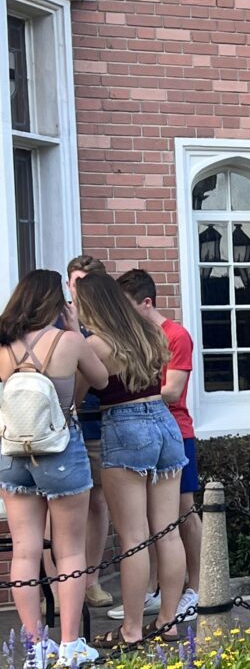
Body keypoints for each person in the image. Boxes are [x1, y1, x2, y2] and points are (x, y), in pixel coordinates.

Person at [0, 270, 109, 667]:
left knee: (25, 551)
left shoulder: (4, 345)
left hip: (12, 453)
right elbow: (101, 379)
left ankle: (35, 646)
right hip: (61, 449)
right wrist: (75, 328)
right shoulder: (68, 341)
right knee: (70, 550)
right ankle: (69, 644)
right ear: (54, 302)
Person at [75, 273, 187, 647]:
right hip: (164, 422)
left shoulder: (97, 344)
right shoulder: (149, 333)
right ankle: (169, 622)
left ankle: (132, 629)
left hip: (125, 426)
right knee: (168, 531)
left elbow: (75, 397)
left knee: (133, 537)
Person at [117, 269, 200, 622]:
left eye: (126, 306)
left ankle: (196, 589)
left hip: (177, 433)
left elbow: (173, 391)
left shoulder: (176, 336)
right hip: (145, 434)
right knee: (152, 519)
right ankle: (155, 590)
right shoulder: (134, 338)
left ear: (146, 302)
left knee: (184, 512)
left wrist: (130, 394)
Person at [66, 255, 117, 609]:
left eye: (85, 282)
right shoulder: (56, 315)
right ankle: (58, 586)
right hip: (64, 423)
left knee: (97, 501)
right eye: (75, 283)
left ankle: (92, 581)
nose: (79, 290)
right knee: (60, 505)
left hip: (97, 419)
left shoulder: (108, 320)